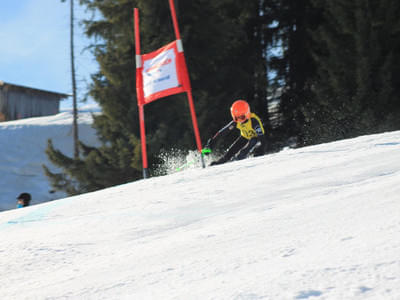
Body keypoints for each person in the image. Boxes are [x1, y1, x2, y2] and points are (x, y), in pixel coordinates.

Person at [205, 99, 266, 166]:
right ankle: (220, 162)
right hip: (245, 137)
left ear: (247, 113)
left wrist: (261, 149)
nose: (240, 121)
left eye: (242, 117)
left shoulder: (253, 122)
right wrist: (210, 144)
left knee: (247, 148)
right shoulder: (235, 122)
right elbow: (222, 133)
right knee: (230, 152)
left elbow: (262, 138)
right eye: (237, 118)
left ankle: (241, 159)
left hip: (257, 138)